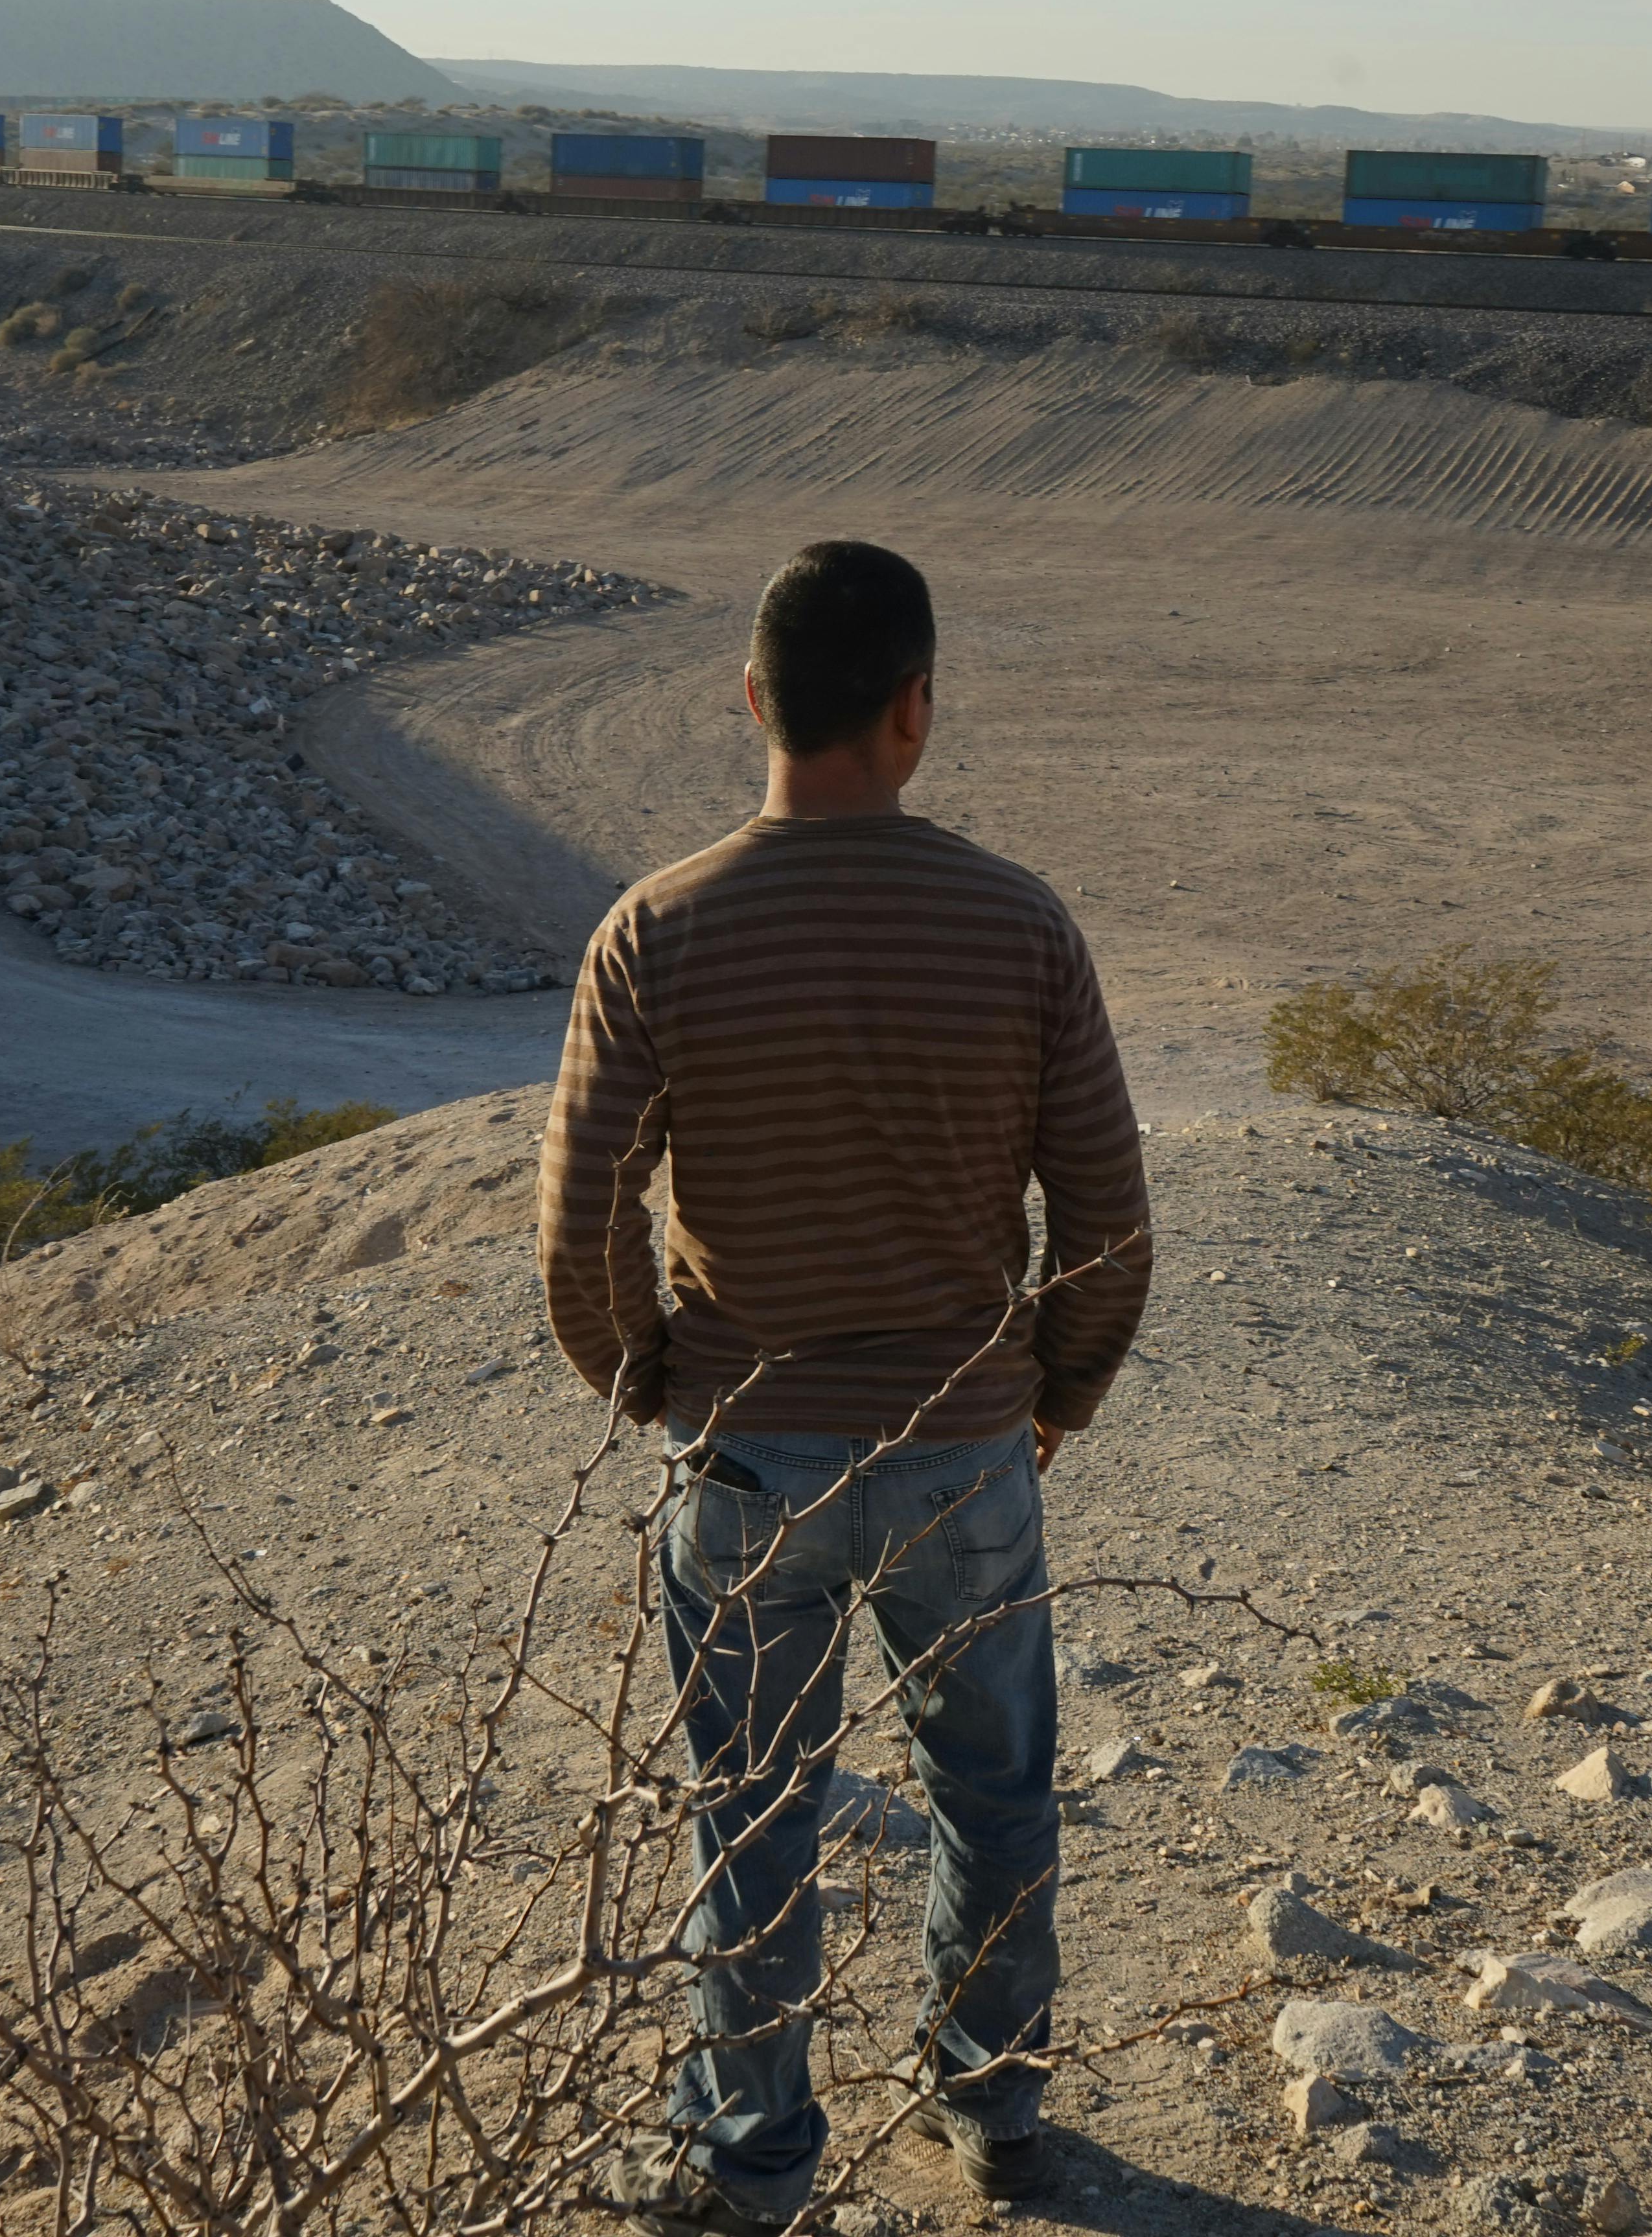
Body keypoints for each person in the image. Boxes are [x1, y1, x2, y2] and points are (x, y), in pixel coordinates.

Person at [541, 540, 1152, 2234]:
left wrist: (657, 1380)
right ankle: (996, 2105)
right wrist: (1053, 1399)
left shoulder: (652, 933)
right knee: (997, 1789)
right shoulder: (1022, 927)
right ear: (915, 712)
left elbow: (581, 1223)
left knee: (749, 1810)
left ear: (751, 701)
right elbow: (1106, 1225)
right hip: (965, 1452)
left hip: (743, 1453)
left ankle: (751, 2156)